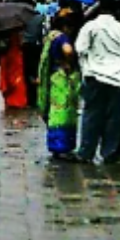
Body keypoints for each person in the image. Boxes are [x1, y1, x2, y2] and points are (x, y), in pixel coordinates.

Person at [75, 1, 120, 165]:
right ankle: (109, 152)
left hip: (95, 76)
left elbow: (80, 49)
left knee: (92, 115)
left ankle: (86, 152)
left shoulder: (90, 27)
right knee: (114, 118)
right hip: (118, 79)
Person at [37, 10, 82, 160]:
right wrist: (69, 62)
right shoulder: (62, 37)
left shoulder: (50, 36)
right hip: (63, 79)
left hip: (53, 77)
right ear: (66, 26)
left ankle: (55, 145)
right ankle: (63, 146)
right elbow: (68, 51)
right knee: (64, 112)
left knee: (55, 111)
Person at [0, 29, 29, 109]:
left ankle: (12, 102)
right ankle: (16, 103)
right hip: (14, 71)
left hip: (13, 70)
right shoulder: (13, 44)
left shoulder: (7, 45)